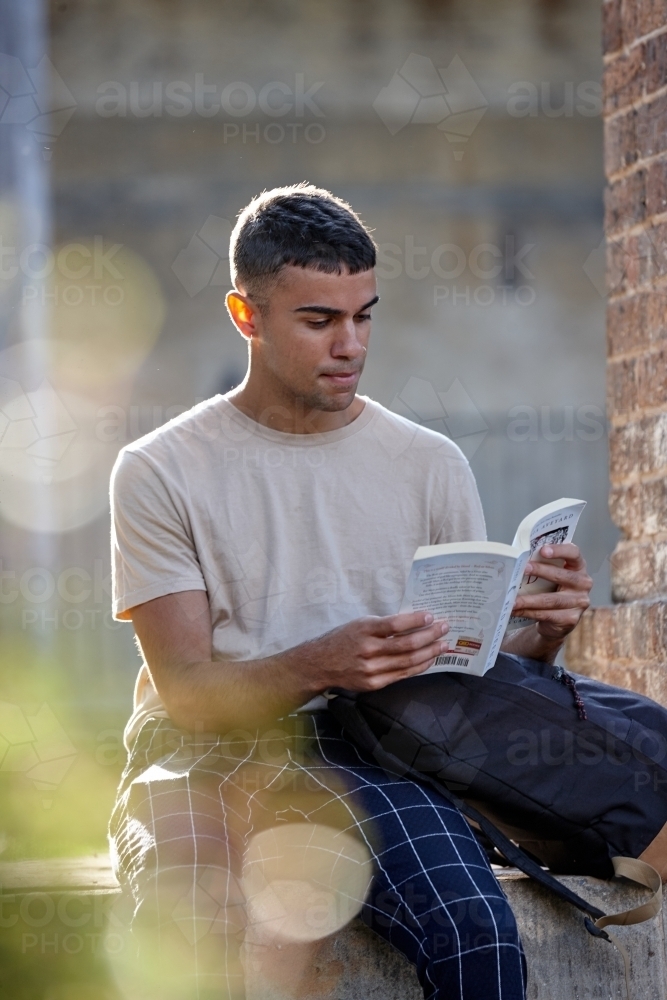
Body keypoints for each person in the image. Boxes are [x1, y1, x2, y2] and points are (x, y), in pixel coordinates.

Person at [108, 183, 592, 1000]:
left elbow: (462, 668)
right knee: (190, 927)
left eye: (364, 315)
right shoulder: (159, 469)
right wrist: (321, 663)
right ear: (245, 316)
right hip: (208, 753)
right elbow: (189, 697)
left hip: (381, 748)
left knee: (478, 935)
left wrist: (541, 632)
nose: (350, 344)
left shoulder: (429, 463)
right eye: (318, 320)